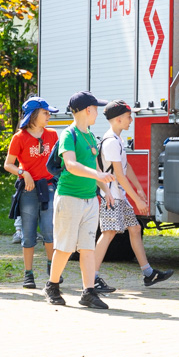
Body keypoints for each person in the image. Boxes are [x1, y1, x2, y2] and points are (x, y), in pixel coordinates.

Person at [92, 100, 173, 293]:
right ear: (118, 119)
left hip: (119, 194)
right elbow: (119, 175)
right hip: (111, 195)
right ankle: (91, 277)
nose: (132, 120)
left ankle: (148, 273)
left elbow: (125, 169)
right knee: (108, 233)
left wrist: (138, 189)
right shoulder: (111, 142)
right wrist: (137, 199)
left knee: (135, 228)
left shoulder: (117, 139)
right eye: (129, 116)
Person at [44, 91, 115, 309]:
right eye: (96, 108)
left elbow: (95, 168)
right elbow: (71, 165)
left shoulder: (91, 136)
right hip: (69, 198)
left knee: (87, 248)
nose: (98, 112)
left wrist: (105, 189)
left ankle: (88, 292)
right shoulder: (68, 134)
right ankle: (52, 286)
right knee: (65, 248)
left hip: (89, 200)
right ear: (87, 110)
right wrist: (97, 176)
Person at [4, 97, 60, 289]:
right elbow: (8, 164)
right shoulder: (19, 137)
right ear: (34, 115)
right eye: (45, 113)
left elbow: (58, 162)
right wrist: (23, 173)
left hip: (49, 188)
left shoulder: (53, 135)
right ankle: (28, 274)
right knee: (28, 233)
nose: (49, 116)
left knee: (48, 230)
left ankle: (53, 269)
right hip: (27, 190)